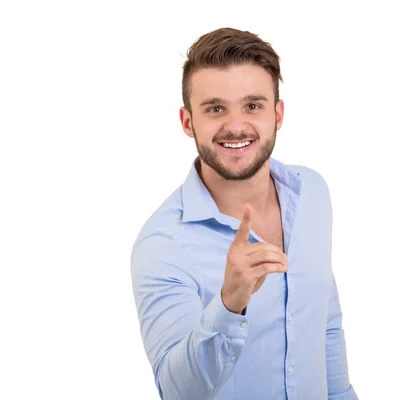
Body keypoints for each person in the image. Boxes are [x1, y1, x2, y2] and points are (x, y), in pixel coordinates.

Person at [130, 27, 359, 400]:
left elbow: (326, 323)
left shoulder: (313, 193)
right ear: (188, 122)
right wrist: (228, 305)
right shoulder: (163, 244)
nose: (236, 125)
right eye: (215, 108)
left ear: (278, 114)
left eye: (252, 105)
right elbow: (177, 392)